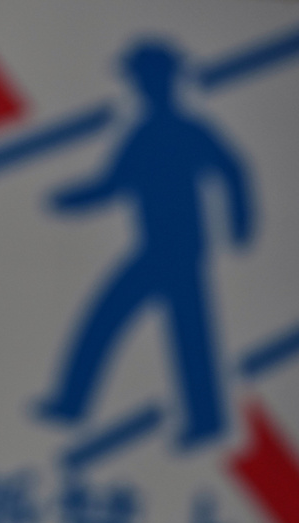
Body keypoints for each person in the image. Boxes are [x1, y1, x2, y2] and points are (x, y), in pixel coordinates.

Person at [37, 40, 253, 447]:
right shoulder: (142, 134)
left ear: (164, 81)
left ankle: (75, 404)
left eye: (143, 78)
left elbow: (233, 170)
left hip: (179, 249)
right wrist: (69, 200)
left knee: (163, 330)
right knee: (169, 330)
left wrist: (240, 223)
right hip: (159, 247)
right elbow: (113, 184)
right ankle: (73, 404)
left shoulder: (188, 131)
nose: (139, 86)